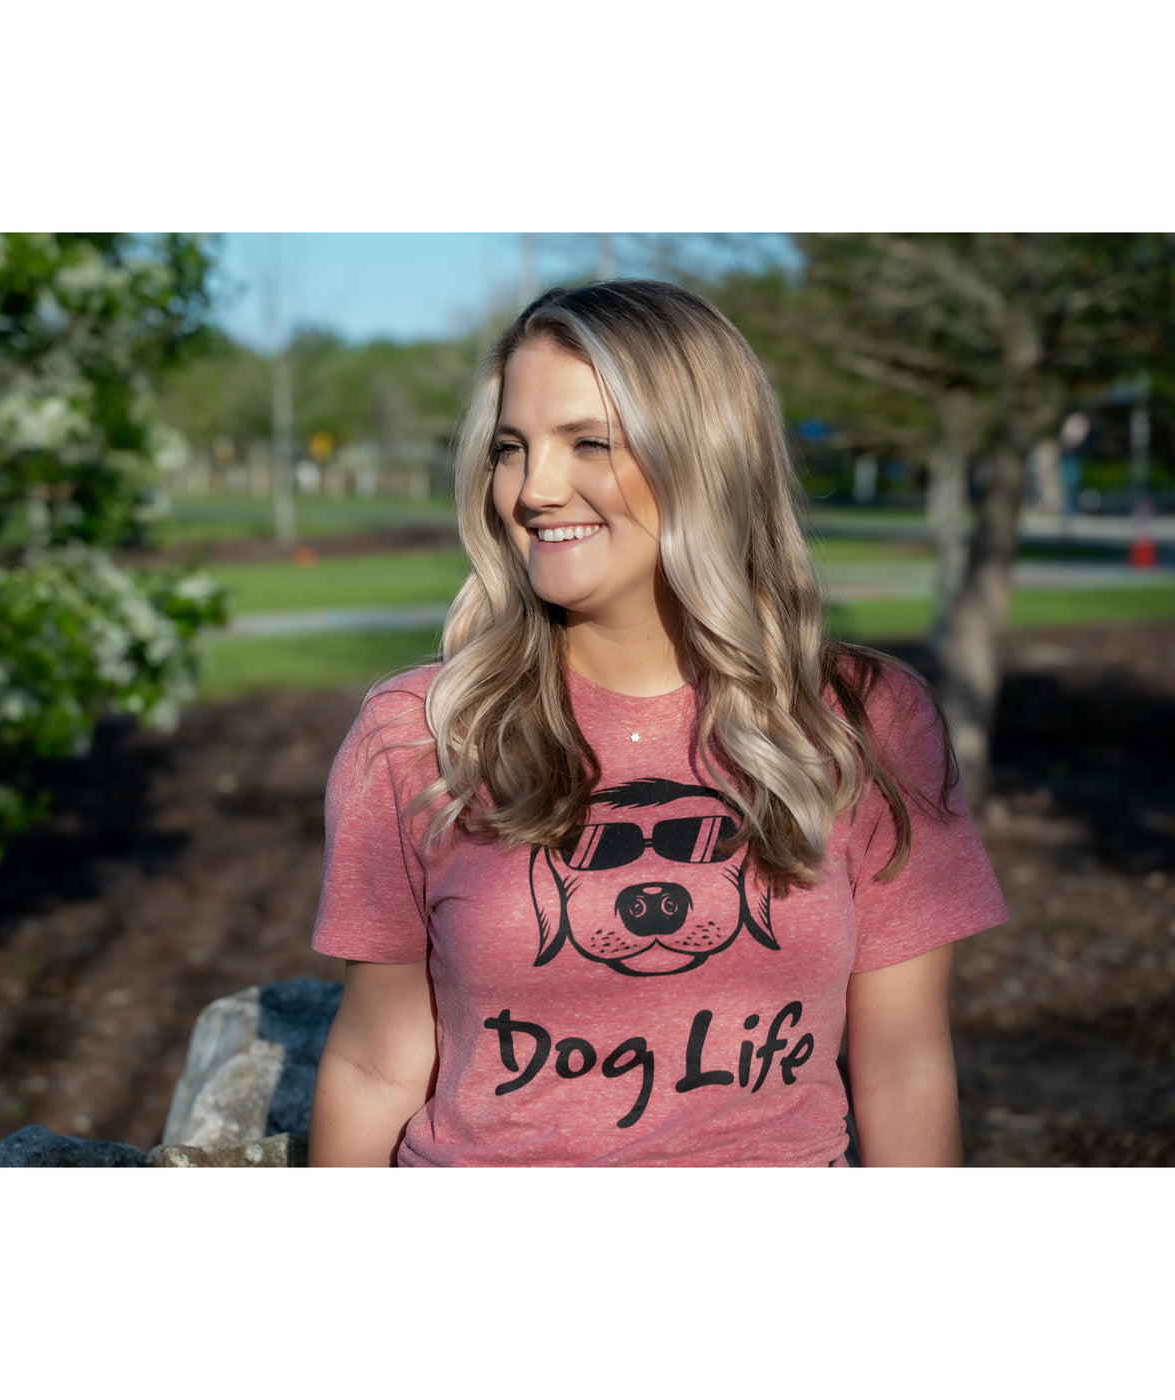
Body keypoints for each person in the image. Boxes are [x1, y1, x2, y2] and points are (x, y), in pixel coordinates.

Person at [308, 280, 1007, 1167]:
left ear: (705, 460)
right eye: (511, 449)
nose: (533, 490)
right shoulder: (420, 733)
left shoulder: (864, 724)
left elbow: (903, 1067)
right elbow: (376, 1061)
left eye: (588, 443)